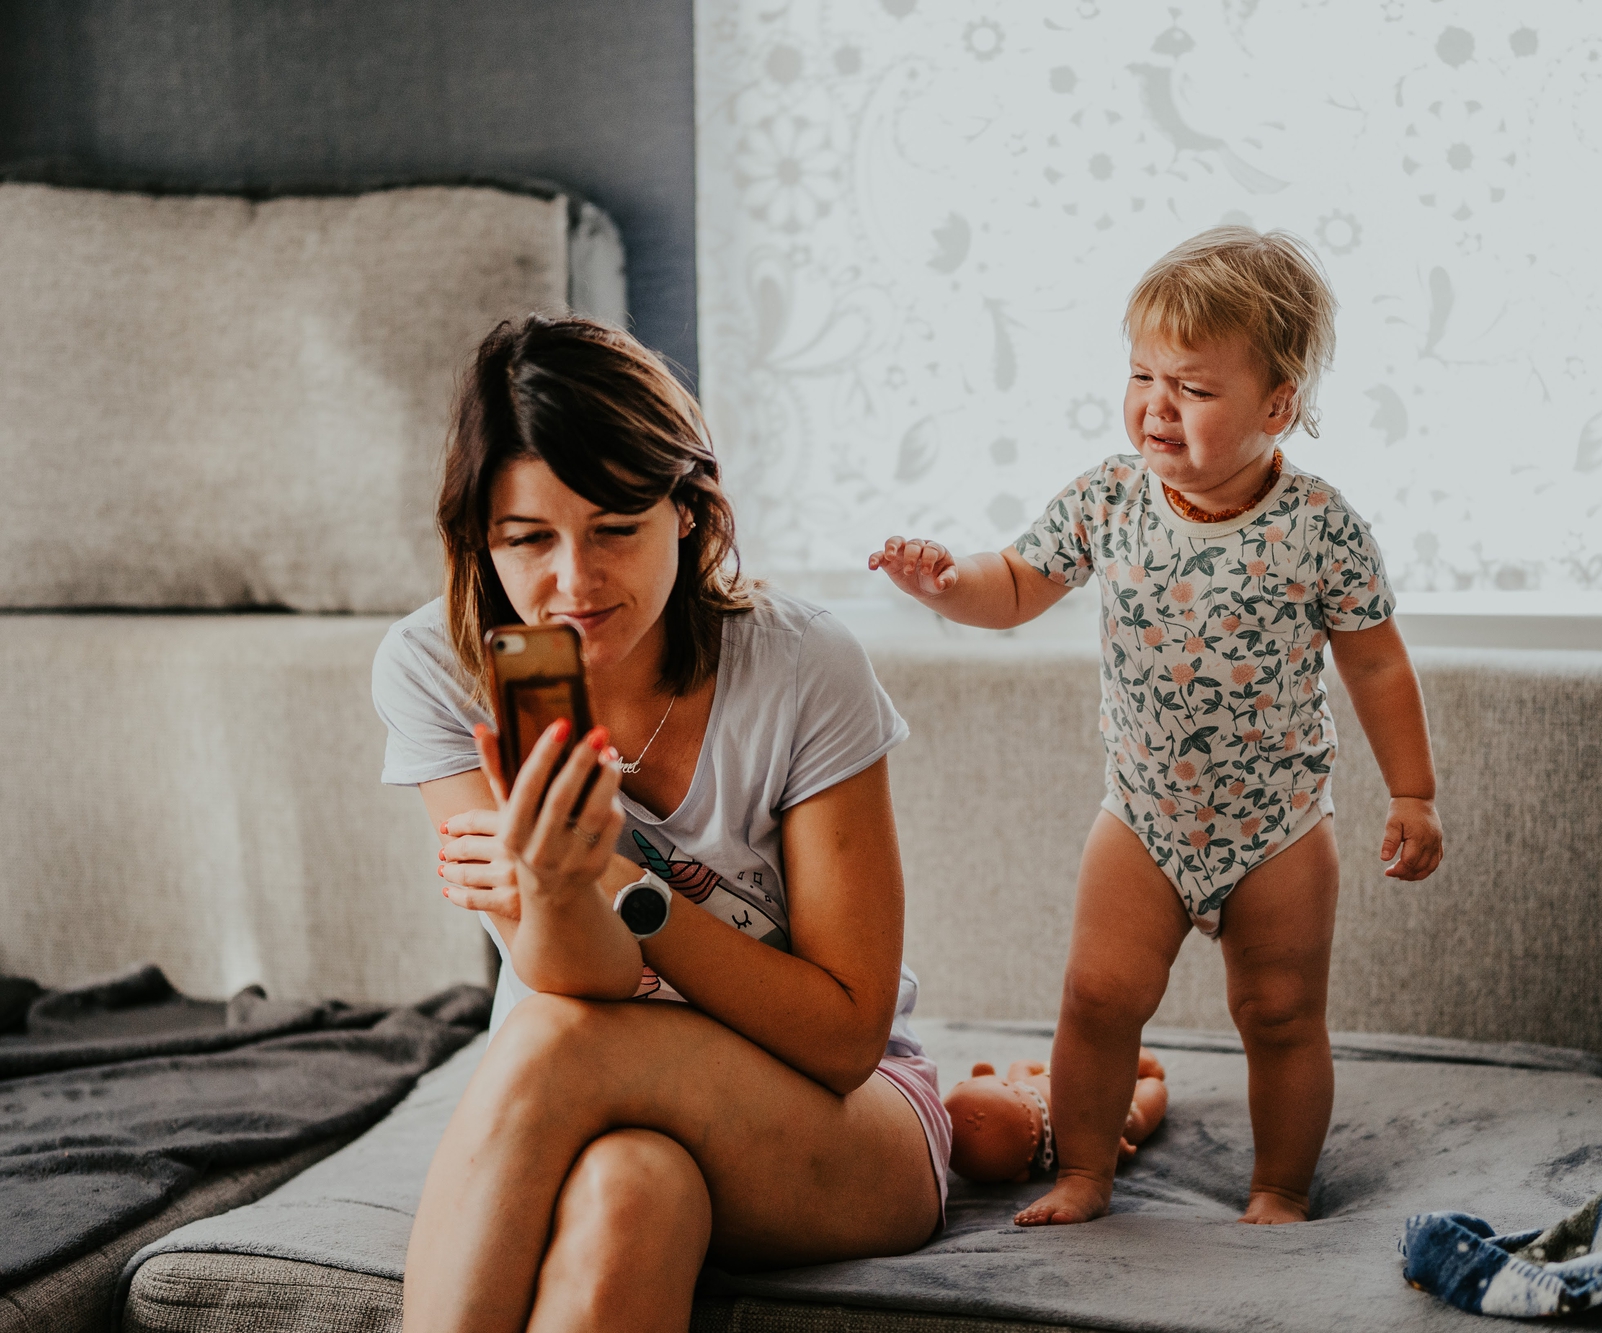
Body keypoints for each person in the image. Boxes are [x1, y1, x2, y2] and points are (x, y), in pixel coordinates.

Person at [373, 315, 947, 1333]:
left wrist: (619, 878)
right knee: (629, 1190)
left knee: (555, 1043)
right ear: (481, 540)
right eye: (528, 540)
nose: (573, 582)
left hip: (833, 1120)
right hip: (590, 1108)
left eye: (614, 528)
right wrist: (556, 890)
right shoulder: (437, 668)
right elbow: (580, 981)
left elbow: (845, 1033)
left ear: (687, 511)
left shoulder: (803, 665)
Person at [867, 226, 1444, 1227]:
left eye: (1192, 387)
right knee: (1095, 998)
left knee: (1278, 1014)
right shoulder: (1109, 498)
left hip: (1279, 824)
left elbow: (1375, 661)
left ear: (1278, 405)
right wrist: (947, 583)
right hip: (1141, 815)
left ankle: (1279, 1189)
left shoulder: (1319, 527)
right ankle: (1085, 1170)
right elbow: (1012, 585)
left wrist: (1412, 792)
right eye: (1141, 374)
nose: (1155, 406)